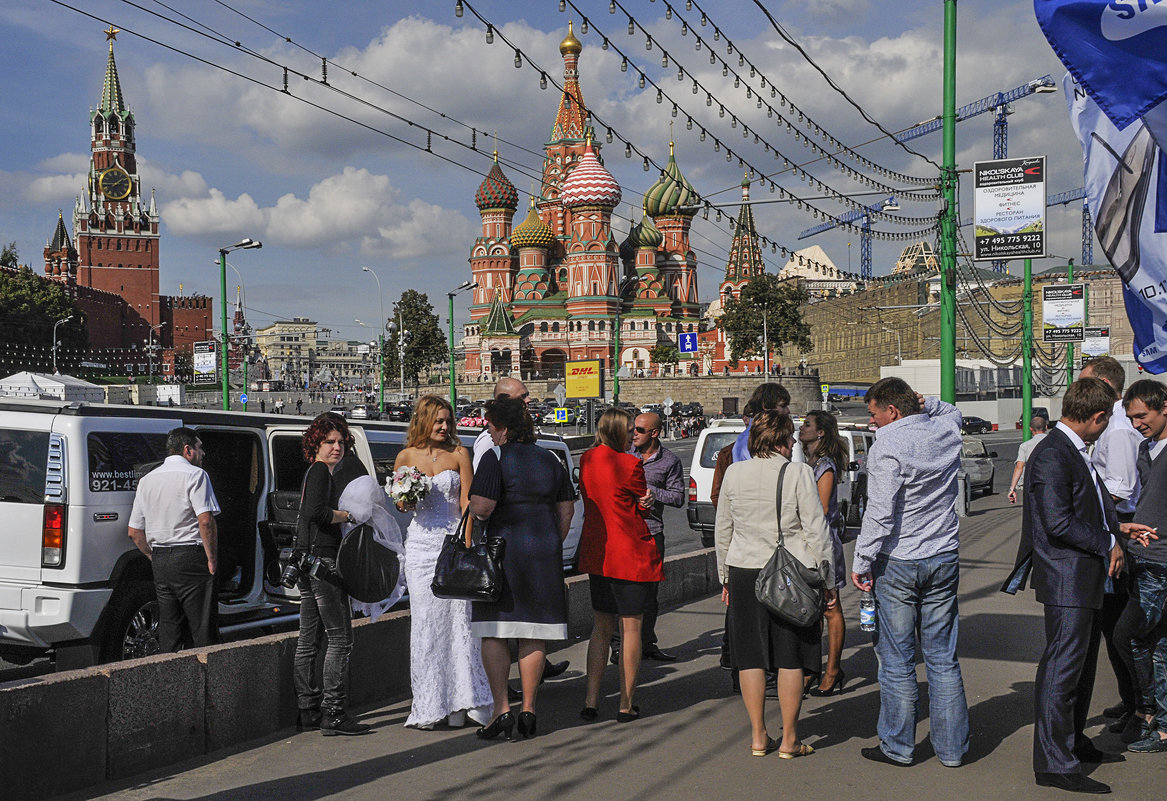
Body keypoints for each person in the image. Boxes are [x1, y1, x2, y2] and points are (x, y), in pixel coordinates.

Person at [1017, 377, 1148, 793]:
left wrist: (1119, 529)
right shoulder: (1055, 453)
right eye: (1106, 420)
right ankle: (1054, 763)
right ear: (1096, 417)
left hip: (1082, 577)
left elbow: (1084, 505)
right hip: (1067, 578)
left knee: (1081, 669)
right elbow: (1056, 522)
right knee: (1062, 670)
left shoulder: (1071, 449)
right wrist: (1108, 541)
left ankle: (1073, 743)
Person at [851, 377, 969, 769]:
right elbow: (953, 411)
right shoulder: (945, 429)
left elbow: (880, 512)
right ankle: (952, 751)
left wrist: (861, 561)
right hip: (943, 555)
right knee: (942, 658)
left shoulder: (888, 444)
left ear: (893, 411)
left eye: (874, 415)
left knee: (898, 659)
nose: (872, 423)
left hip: (899, 561)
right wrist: (928, 401)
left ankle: (899, 747)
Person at [715, 410, 832, 758]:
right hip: (789, 573)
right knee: (790, 657)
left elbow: (724, 529)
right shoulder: (798, 473)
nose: (794, 442)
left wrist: (725, 577)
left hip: (743, 570)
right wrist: (827, 578)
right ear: (782, 441)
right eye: (791, 438)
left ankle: (758, 736)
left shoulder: (734, 473)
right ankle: (790, 739)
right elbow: (816, 528)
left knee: (750, 657)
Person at [468, 397, 575, 740]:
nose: (487, 428)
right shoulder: (549, 458)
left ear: (502, 427)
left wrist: (472, 506)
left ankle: (502, 711)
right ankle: (529, 708)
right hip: (543, 553)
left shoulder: (494, 457)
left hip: (504, 554)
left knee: (494, 631)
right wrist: (550, 542)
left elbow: (483, 508)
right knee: (535, 631)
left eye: (490, 424)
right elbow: (567, 510)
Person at [392, 395, 493, 730]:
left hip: (453, 541)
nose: (445, 427)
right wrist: (405, 498)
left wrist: (465, 545)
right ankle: (432, 703)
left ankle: (466, 701)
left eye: (448, 421)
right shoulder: (405, 456)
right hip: (420, 548)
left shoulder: (460, 453)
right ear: (423, 421)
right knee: (427, 625)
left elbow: (466, 501)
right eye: (438, 421)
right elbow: (401, 506)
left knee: (460, 622)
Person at [579, 409, 659, 723]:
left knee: (600, 628)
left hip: (599, 554)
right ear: (615, 432)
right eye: (628, 430)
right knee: (631, 629)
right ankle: (625, 704)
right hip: (629, 556)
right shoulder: (630, 464)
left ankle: (590, 700)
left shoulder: (587, 459)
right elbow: (642, 500)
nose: (632, 435)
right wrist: (646, 501)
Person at [292, 413, 370, 736]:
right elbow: (317, 513)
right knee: (340, 638)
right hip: (324, 562)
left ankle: (307, 709)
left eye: (341, 442)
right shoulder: (322, 472)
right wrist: (348, 515)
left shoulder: (313, 472)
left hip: (307, 563)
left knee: (308, 639)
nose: (337, 447)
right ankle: (334, 712)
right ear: (317, 443)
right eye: (330, 442)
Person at [1080, 357, 1143, 732]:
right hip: (1115, 533)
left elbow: (1120, 488)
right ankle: (1132, 699)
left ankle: (1139, 705)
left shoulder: (1117, 429)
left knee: (1120, 627)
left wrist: (1086, 515)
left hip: (1121, 537)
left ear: (1104, 383)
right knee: (1114, 627)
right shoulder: (1113, 424)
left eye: (1084, 383)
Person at [127, 427, 221, 653]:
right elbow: (206, 521)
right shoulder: (196, 475)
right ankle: (208, 680)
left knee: (170, 629)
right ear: (187, 449)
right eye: (200, 448)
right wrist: (212, 559)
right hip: (191, 556)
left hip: (161, 559)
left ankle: (169, 680)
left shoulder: (147, 480)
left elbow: (134, 531)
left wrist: (153, 556)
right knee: (202, 629)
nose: (203, 453)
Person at [1115, 379, 1167, 753]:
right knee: (1158, 643)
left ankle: (1148, 712)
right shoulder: (1147, 449)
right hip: (1144, 558)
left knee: (1128, 635)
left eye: (1142, 416)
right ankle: (1159, 723)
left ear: (1164, 407)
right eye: (1131, 418)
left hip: (1162, 561)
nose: (1136, 424)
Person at [610, 412, 684, 665]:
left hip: (651, 532)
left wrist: (652, 493)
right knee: (622, 592)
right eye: (633, 430)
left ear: (654, 433)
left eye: (640, 430)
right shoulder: (623, 454)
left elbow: (677, 497)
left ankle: (646, 643)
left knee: (650, 593)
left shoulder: (670, 461)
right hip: (623, 534)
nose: (634, 434)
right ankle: (619, 646)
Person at [798, 410, 849, 696]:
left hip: (823, 544)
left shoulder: (825, 465)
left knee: (831, 609)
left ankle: (832, 670)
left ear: (820, 433)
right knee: (812, 610)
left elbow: (822, 509)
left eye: (807, 425)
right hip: (809, 543)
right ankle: (812, 668)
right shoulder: (809, 462)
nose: (801, 428)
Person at [1008, 415, 1048, 504]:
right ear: (1046, 427)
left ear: (1030, 429)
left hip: (1032, 484)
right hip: (1053, 483)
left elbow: (1019, 467)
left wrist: (1012, 488)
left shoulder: (1025, 446)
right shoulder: (1055, 442)